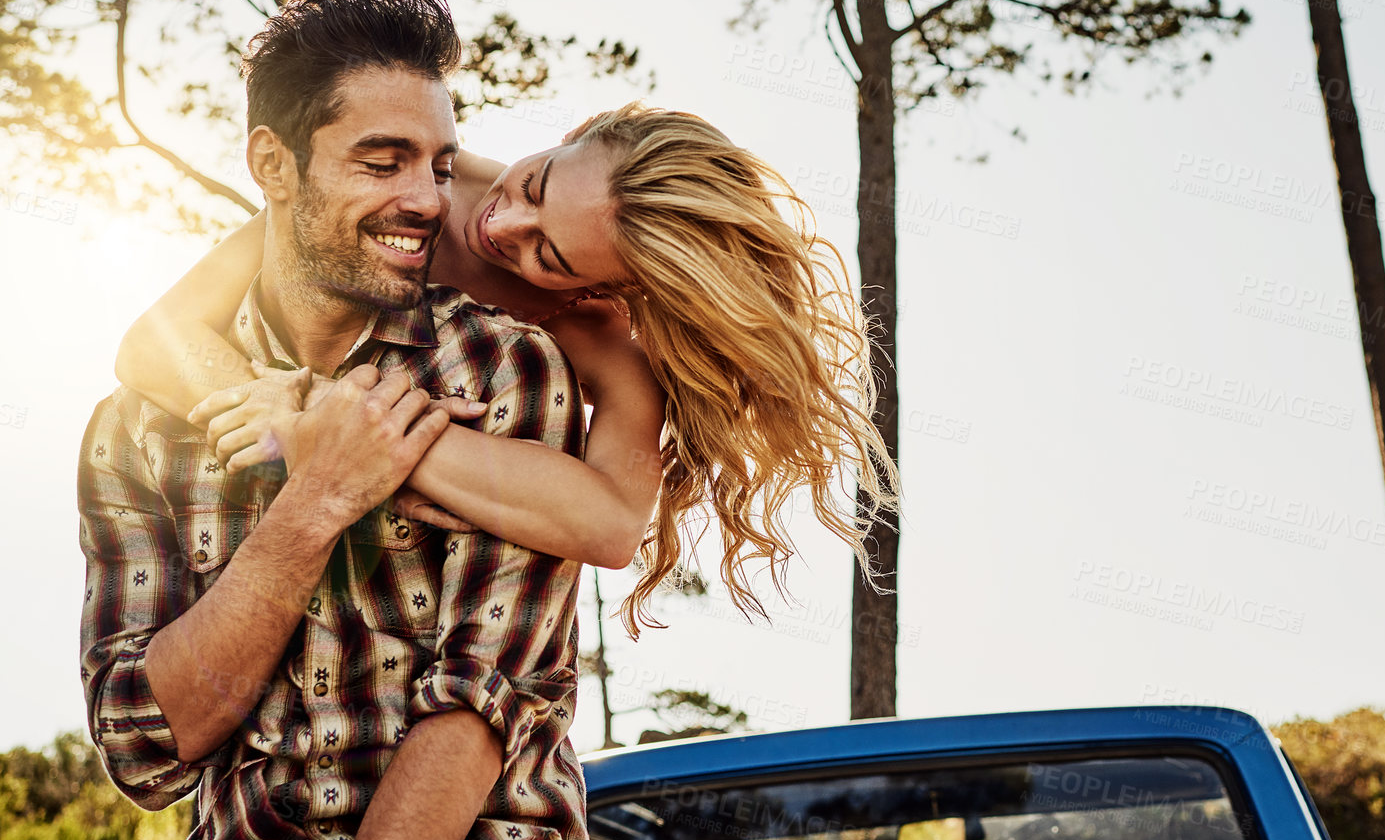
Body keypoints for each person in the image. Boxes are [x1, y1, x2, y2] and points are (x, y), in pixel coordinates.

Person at [118, 49, 898, 635]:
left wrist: (348, 429)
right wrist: (291, 409)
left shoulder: (595, 331)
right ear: (575, 133)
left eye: (548, 257)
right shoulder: (404, 190)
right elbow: (152, 346)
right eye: (537, 185)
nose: (504, 226)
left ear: (602, 289)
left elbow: (610, 524)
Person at [81, 0, 595, 840]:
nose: (430, 201)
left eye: (438, 165)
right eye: (381, 159)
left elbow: (481, 703)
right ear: (273, 165)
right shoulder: (140, 428)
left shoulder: (501, 368)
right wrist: (316, 499)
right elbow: (144, 749)